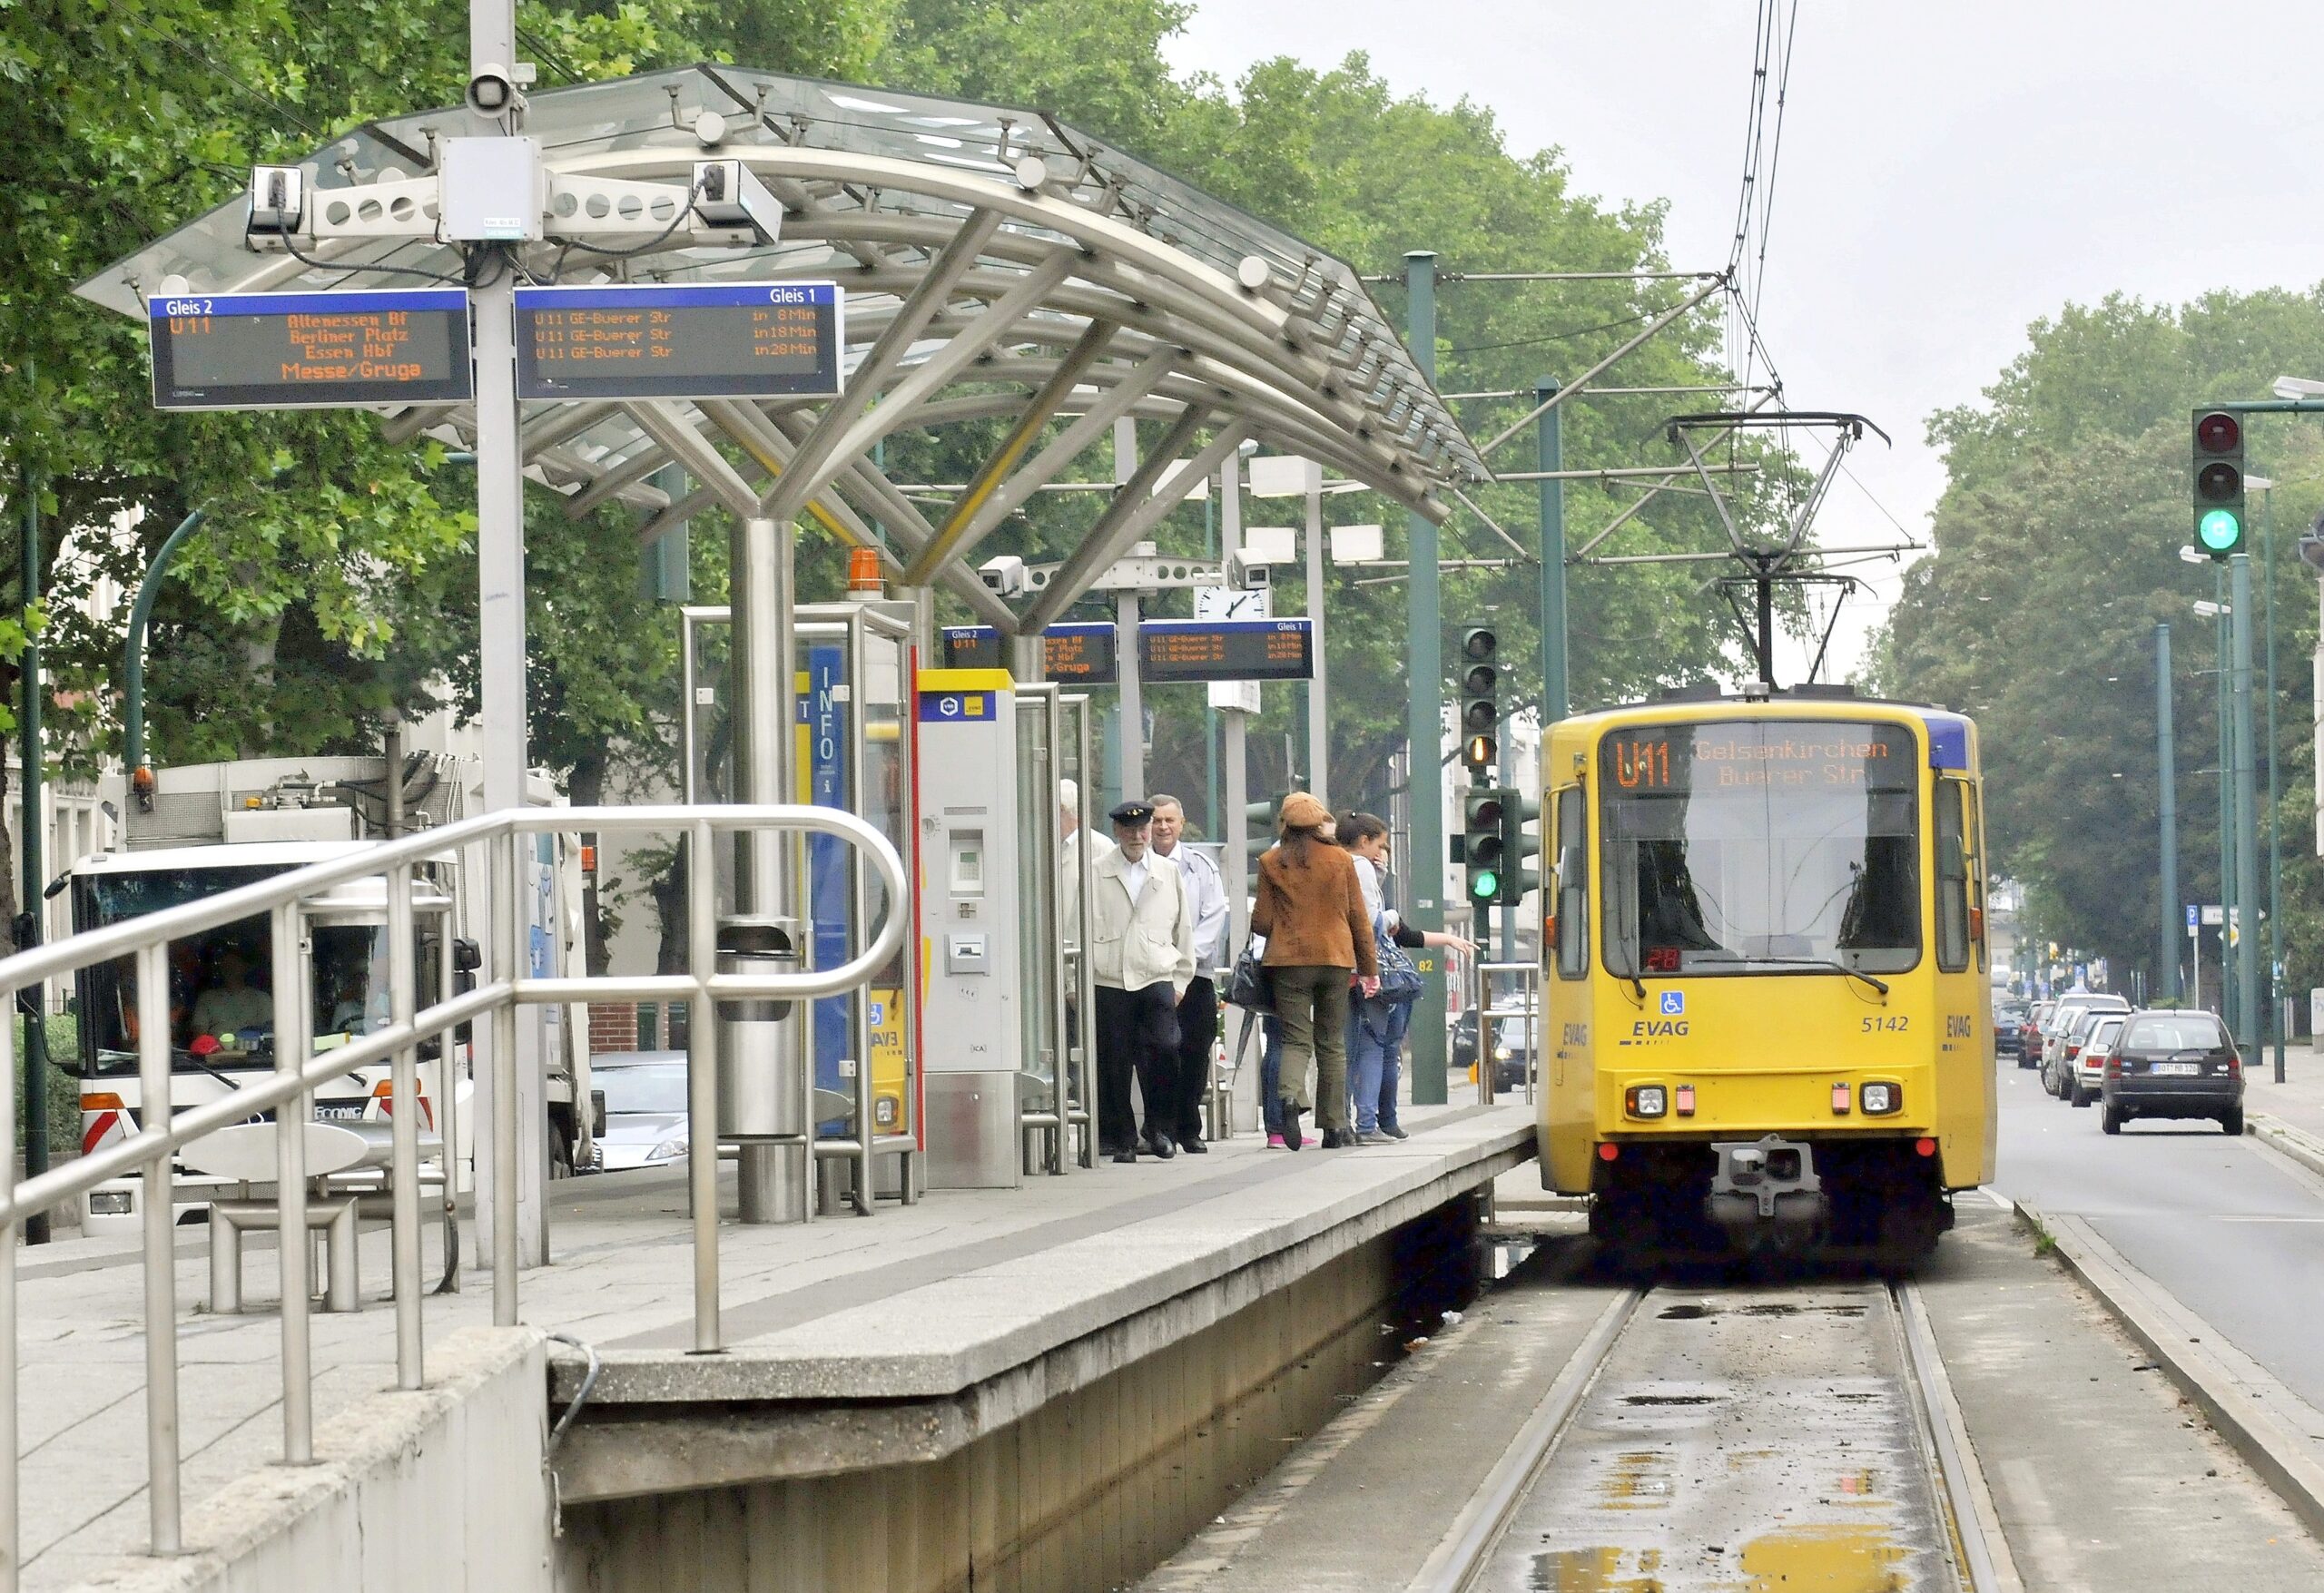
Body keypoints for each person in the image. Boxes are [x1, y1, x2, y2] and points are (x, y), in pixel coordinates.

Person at [1337, 811, 1473, 1142]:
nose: (1382, 853)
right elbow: (1370, 923)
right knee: (1376, 1046)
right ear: (1365, 841)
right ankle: (1370, 1123)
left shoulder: (1336, 865)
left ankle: (1349, 1121)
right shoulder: (1361, 869)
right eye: (1380, 845)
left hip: (1342, 970)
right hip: (1367, 971)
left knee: (1349, 1049)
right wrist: (1392, 914)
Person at [1251, 792, 1376, 1150]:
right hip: (1335, 959)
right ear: (1320, 823)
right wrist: (1368, 967)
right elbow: (1359, 919)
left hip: (1288, 963)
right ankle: (1334, 1128)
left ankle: (1291, 1098)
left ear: (1285, 825)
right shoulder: (1340, 859)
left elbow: (1261, 922)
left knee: (1294, 1038)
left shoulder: (1270, 861)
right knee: (1332, 1043)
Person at [1089, 801, 1196, 1162]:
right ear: (1117, 832)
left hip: (1156, 974)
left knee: (1166, 1049)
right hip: (1110, 978)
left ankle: (1160, 1128)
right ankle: (1123, 1137)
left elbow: (1183, 929)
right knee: (1115, 1061)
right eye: (1129, 830)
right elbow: (1076, 927)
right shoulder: (1097, 871)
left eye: (1143, 829)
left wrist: (1181, 980)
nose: (1137, 836)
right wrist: (1077, 984)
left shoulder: (1168, 872)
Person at [1147, 795, 1228, 1154]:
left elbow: (1215, 916)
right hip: (1151, 975)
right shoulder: (1138, 864)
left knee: (1197, 1048)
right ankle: (1158, 1127)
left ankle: (1187, 1127)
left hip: (1195, 975)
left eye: (1169, 820)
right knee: (1159, 1052)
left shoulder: (1201, 867)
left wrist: (1186, 961)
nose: (1163, 827)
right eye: (1157, 820)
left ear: (1181, 823)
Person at [191, 947, 271, 1040]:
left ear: (245, 967)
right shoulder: (207, 998)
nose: (229, 968)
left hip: (253, 1054)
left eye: (234, 964)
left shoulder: (262, 999)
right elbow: (199, 1035)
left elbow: (269, 1033)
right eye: (225, 965)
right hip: (216, 1053)